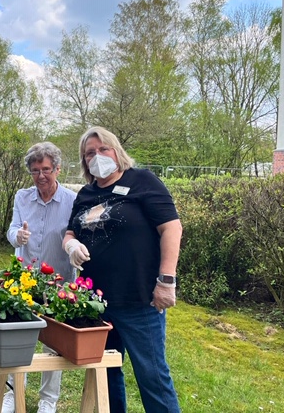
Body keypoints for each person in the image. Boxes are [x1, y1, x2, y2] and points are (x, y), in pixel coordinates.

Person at [62, 126, 182, 413]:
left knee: (152, 376)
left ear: (116, 151)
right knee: (106, 372)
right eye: (90, 153)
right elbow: (69, 232)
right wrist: (72, 246)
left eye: (103, 149)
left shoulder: (142, 181)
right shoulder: (86, 194)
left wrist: (166, 281)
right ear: (84, 161)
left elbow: (171, 228)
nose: (97, 156)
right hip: (97, 302)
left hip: (138, 300)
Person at [3, 142, 77, 413]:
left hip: (58, 281)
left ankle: (48, 401)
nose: (41, 176)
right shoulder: (22, 198)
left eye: (46, 169)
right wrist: (17, 236)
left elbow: (75, 236)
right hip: (25, 280)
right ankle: (12, 392)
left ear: (57, 169)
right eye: (35, 171)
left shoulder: (71, 201)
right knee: (17, 339)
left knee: (53, 344)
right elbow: (12, 229)